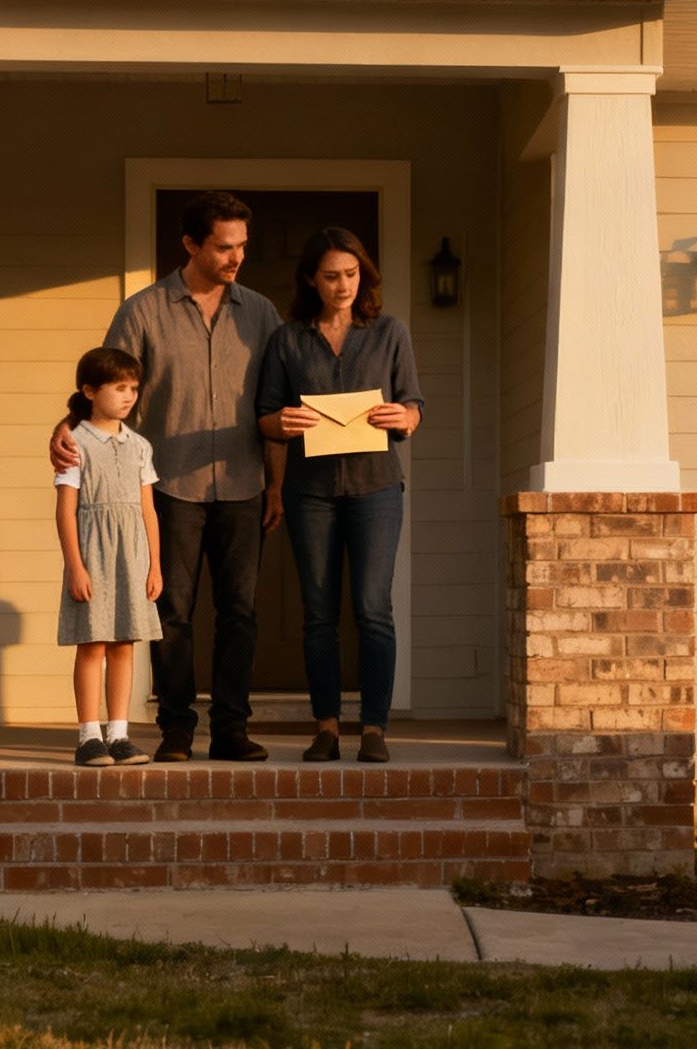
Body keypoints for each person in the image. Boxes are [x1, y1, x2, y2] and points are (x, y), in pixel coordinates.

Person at [51, 191, 284, 763]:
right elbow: (107, 380)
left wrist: (277, 484)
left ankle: (231, 728)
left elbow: (275, 401)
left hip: (243, 482)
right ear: (191, 245)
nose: (236, 258)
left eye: (242, 247)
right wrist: (65, 423)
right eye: (224, 247)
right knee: (170, 612)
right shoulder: (143, 310)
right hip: (167, 487)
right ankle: (177, 729)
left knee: (240, 612)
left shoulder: (260, 313)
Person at [257, 228, 422, 763]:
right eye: (331, 276)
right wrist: (281, 422)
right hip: (312, 494)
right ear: (312, 279)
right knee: (318, 612)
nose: (342, 285)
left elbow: (413, 405)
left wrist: (407, 416)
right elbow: (265, 416)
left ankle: (374, 728)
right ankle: (326, 727)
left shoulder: (389, 332)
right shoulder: (288, 339)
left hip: (377, 489)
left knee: (374, 609)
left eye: (351, 274)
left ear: (363, 276)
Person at [56, 347, 162, 768]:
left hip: (132, 556)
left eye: (134, 388)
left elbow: (148, 510)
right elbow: (66, 509)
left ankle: (119, 734)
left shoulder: (139, 446)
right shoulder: (74, 443)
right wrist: (75, 566)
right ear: (89, 390)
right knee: (93, 643)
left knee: (124, 643)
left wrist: (155, 565)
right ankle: (89, 737)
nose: (129, 396)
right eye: (119, 387)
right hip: (94, 555)